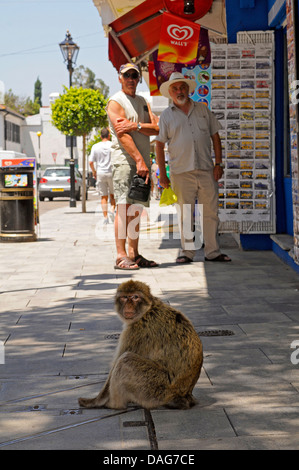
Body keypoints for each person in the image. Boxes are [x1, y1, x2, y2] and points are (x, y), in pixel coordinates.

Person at [155, 72, 231, 263]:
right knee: (185, 214)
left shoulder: (203, 110)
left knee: (211, 212)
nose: (179, 91)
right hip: (180, 172)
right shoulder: (166, 115)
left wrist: (218, 164)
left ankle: (213, 252)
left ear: (188, 89)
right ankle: (186, 253)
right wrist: (162, 174)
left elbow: (215, 137)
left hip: (207, 169)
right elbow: (158, 144)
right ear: (170, 92)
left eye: (182, 87)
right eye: (175, 88)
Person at [107, 63, 160, 270]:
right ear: (119, 78)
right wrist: (139, 160)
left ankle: (134, 253)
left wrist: (136, 125)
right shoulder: (115, 102)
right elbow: (122, 134)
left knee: (136, 210)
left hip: (143, 164)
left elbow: (156, 127)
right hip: (126, 162)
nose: (131, 79)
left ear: (139, 79)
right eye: (127, 75)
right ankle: (121, 255)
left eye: (134, 75)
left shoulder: (143, 102)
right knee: (123, 208)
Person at [89, 128, 116, 225]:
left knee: (103, 196)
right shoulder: (112, 145)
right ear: (109, 136)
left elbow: (91, 162)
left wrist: (94, 171)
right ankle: (112, 210)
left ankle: (105, 217)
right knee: (113, 195)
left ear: (100, 136)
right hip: (112, 172)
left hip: (100, 172)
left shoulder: (95, 146)